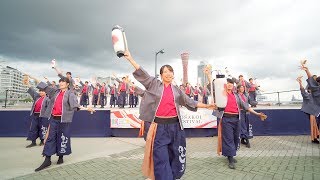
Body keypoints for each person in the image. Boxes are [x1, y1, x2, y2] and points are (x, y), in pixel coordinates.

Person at [123, 50, 216, 180]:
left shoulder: (177, 90)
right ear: (161, 75)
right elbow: (142, 73)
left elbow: (190, 101)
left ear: (173, 74)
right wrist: (130, 58)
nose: (168, 73)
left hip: (175, 128)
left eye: (170, 71)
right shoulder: (154, 84)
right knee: (160, 158)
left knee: (175, 156)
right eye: (165, 71)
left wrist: (207, 106)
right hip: (159, 128)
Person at [205, 69, 266, 170]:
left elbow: (246, 106)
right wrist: (208, 75)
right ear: (225, 84)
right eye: (228, 83)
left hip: (237, 119)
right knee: (228, 138)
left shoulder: (237, 95)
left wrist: (257, 113)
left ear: (233, 85)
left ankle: (231, 154)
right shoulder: (221, 94)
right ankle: (230, 158)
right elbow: (212, 86)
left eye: (231, 84)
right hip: (226, 119)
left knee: (235, 138)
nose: (229, 85)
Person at [34, 77, 95, 172]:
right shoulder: (55, 92)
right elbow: (44, 86)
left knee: (62, 138)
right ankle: (47, 159)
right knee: (50, 138)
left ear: (67, 84)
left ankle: (61, 156)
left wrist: (87, 108)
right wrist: (32, 77)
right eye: (60, 81)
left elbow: (75, 105)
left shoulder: (71, 93)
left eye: (63, 81)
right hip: (54, 119)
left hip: (64, 120)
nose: (61, 83)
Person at [23, 75, 50, 147]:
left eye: (42, 91)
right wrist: (27, 83)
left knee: (43, 128)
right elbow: (32, 89)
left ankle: (42, 141)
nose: (41, 92)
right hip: (35, 115)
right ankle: (33, 142)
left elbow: (49, 108)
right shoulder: (37, 97)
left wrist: (47, 116)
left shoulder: (48, 99)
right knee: (33, 128)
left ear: (46, 92)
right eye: (40, 91)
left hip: (43, 116)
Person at [297, 76, 320, 143]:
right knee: (315, 125)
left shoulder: (317, 94)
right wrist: (300, 83)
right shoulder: (308, 95)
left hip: (317, 112)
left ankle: (315, 137)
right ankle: (315, 138)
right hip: (312, 113)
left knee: (316, 125)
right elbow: (303, 91)